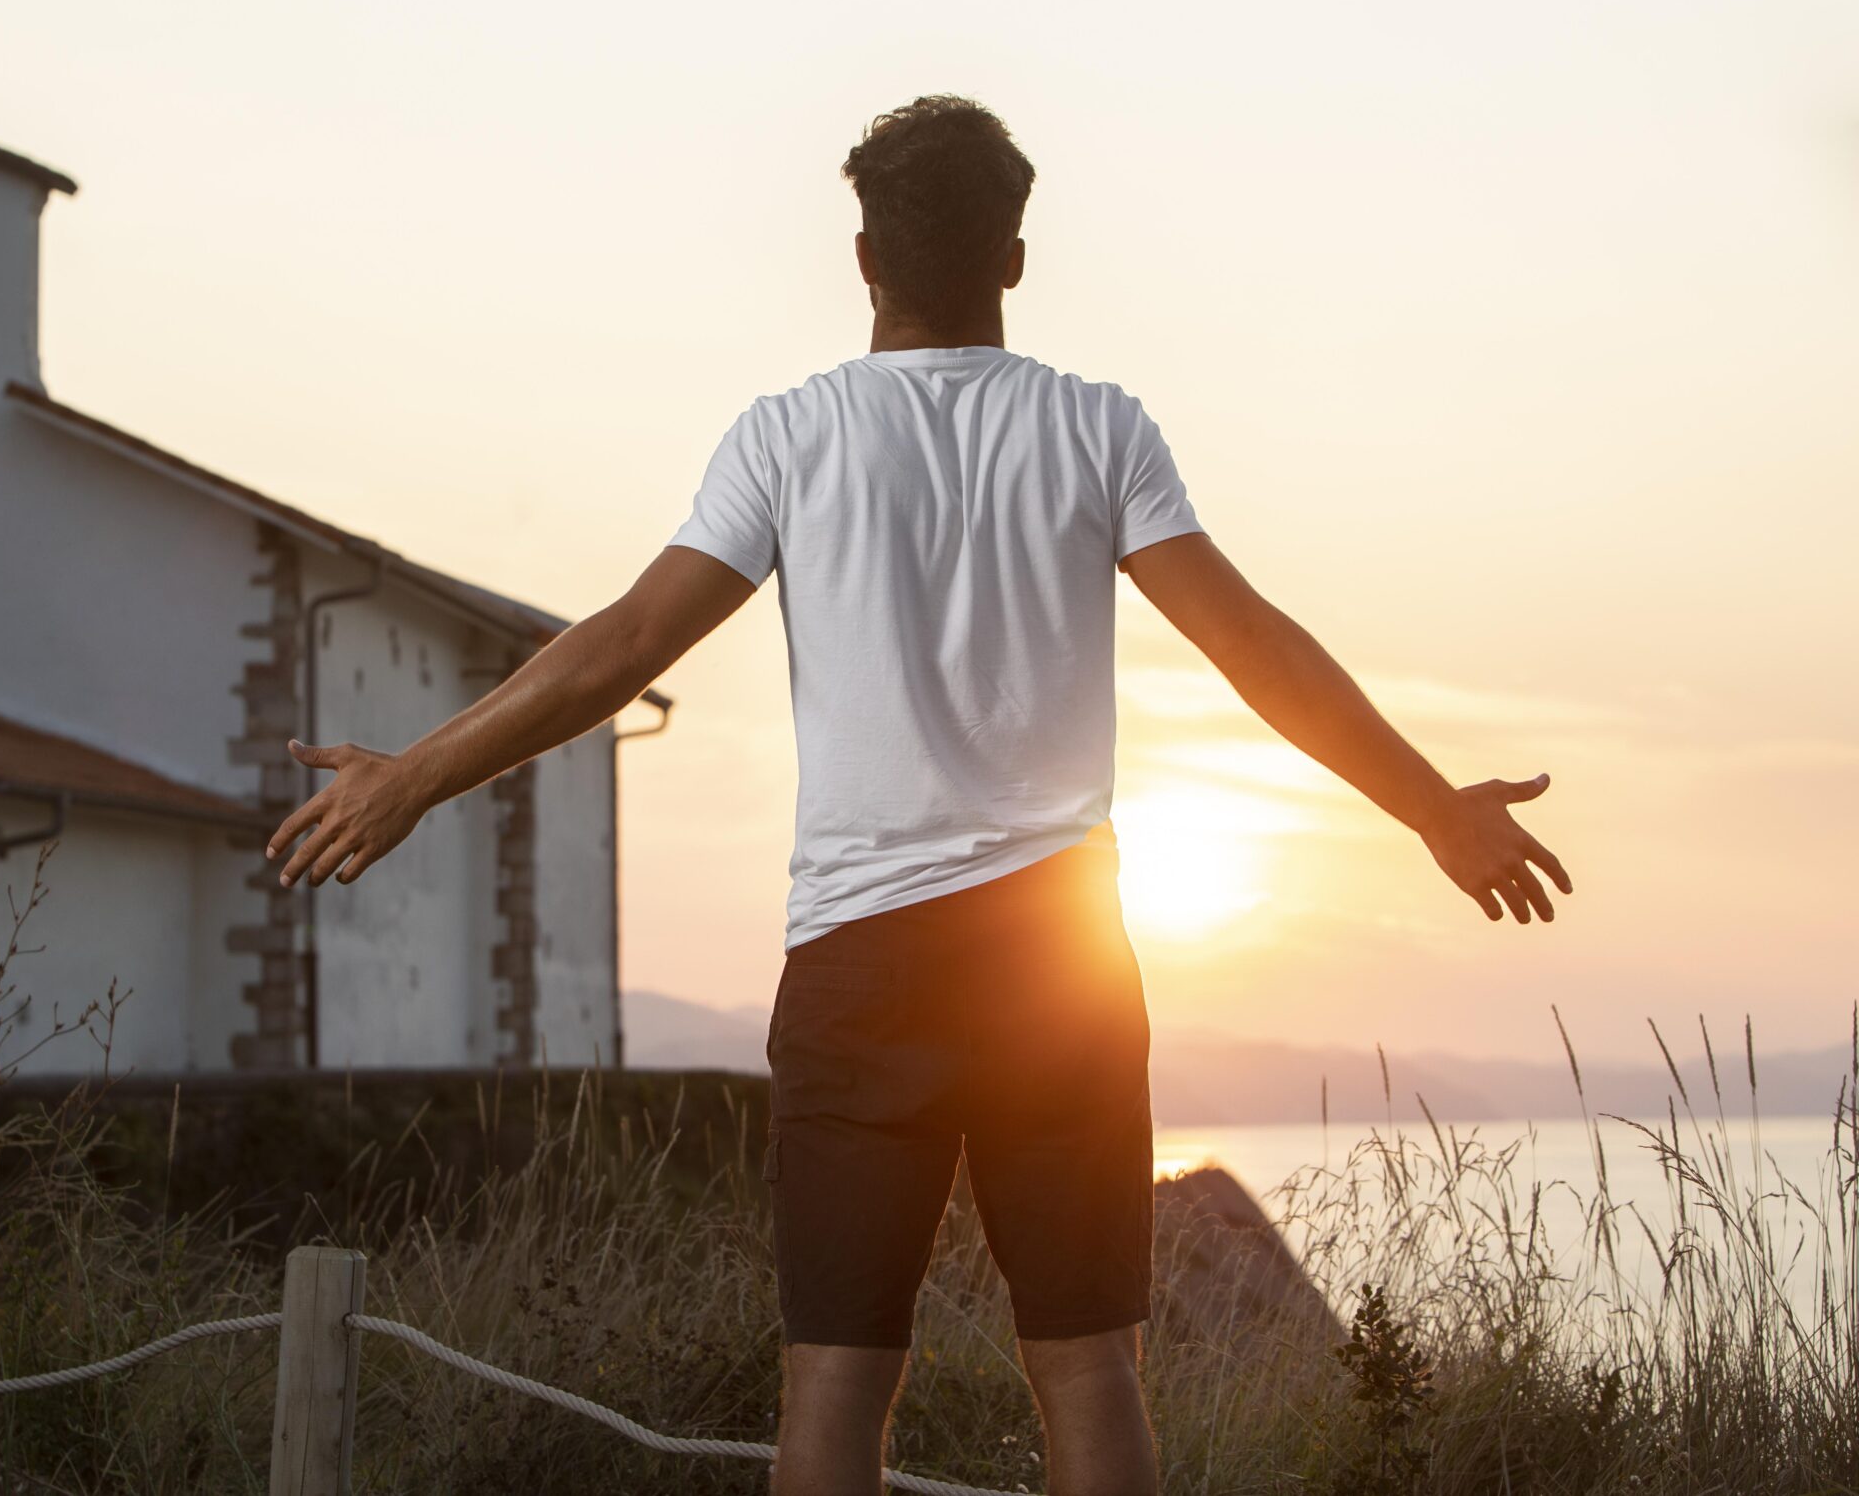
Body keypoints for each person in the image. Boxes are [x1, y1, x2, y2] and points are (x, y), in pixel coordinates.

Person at [264, 93, 1573, 1496]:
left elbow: (624, 649)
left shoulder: (788, 437)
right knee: (1086, 1365)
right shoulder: (1097, 430)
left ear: (863, 258)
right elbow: (1252, 645)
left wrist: (413, 779)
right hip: (1057, 957)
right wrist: (1434, 806)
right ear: (1014, 257)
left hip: (862, 962)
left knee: (834, 1379)